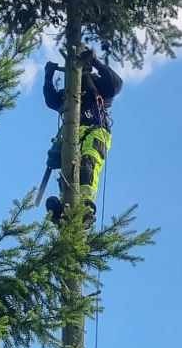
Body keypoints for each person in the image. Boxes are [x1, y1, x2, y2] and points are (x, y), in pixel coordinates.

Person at [42, 47, 123, 224]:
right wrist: (48, 77)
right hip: (71, 134)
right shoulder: (68, 93)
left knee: (88, 163)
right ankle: (65, 206)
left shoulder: (97, 84)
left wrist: (95, 62)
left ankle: (86, 207)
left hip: (96, 129)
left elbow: (116, 84)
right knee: (66, 166)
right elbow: (51, 100)